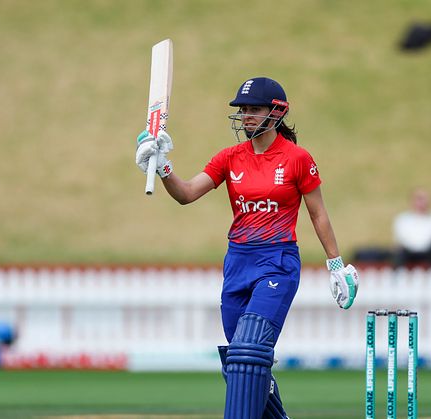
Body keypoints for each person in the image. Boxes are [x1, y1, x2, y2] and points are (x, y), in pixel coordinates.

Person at [135, 77, 359, 419]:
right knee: (243, 365)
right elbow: (187, 193)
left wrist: (335, 265)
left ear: (277, 112)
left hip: (277, 261)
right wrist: (163, 167)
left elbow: (318, 214)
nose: (246, 117)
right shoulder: (229, 157)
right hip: (237, 263)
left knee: (248, 349)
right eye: (243, 110)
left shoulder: (297, 159)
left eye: (254, 109)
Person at [392, 188, 431, 268]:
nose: (422, 203)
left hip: (430, 253)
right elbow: (400, 241)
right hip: (408, 253)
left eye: (424, 199)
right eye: (419, 199)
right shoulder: (402, 219)